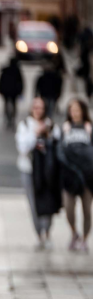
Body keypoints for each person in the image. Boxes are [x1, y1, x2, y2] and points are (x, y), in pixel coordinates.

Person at [15, 97, 58, 249]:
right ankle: (39, 234)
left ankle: (47, 232)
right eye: (35, 107)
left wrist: (47, 133)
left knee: (48, 201)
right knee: (33, 203)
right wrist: (35, 133)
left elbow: (56, 147)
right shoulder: (25, 125)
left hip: (48, 171)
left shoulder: (51, 125)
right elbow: (22, 148)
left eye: (41, 107)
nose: (38, 110)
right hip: (29, 170)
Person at [59, 98, 93, 252]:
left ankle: (85, 239)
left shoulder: (89, 128)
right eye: (71, 110)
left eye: (77, 109)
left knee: (87, 209)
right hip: (70, 176)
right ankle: (74, 233)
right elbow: (60, 151)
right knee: (69, 208)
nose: (74, 113)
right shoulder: (65, 128)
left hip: (87, 176)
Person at [0, 56, 25, 130]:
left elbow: (1, 81)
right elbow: (21, 82)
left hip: (6, 91)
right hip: (14, 91)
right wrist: (21, 91)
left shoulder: (5, 70)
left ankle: (8, 118)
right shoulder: (17, 70)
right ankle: (11, 119)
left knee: (7, 104)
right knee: (13, 105)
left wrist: (0, 90)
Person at [35, 57, 64, 122]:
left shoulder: (46, 76)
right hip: (48, 95)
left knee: (48, 109)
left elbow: (58, 85)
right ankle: (48, 121)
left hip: (49, 95)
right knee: (48, 109)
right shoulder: (53, 76)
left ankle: (48, 121)